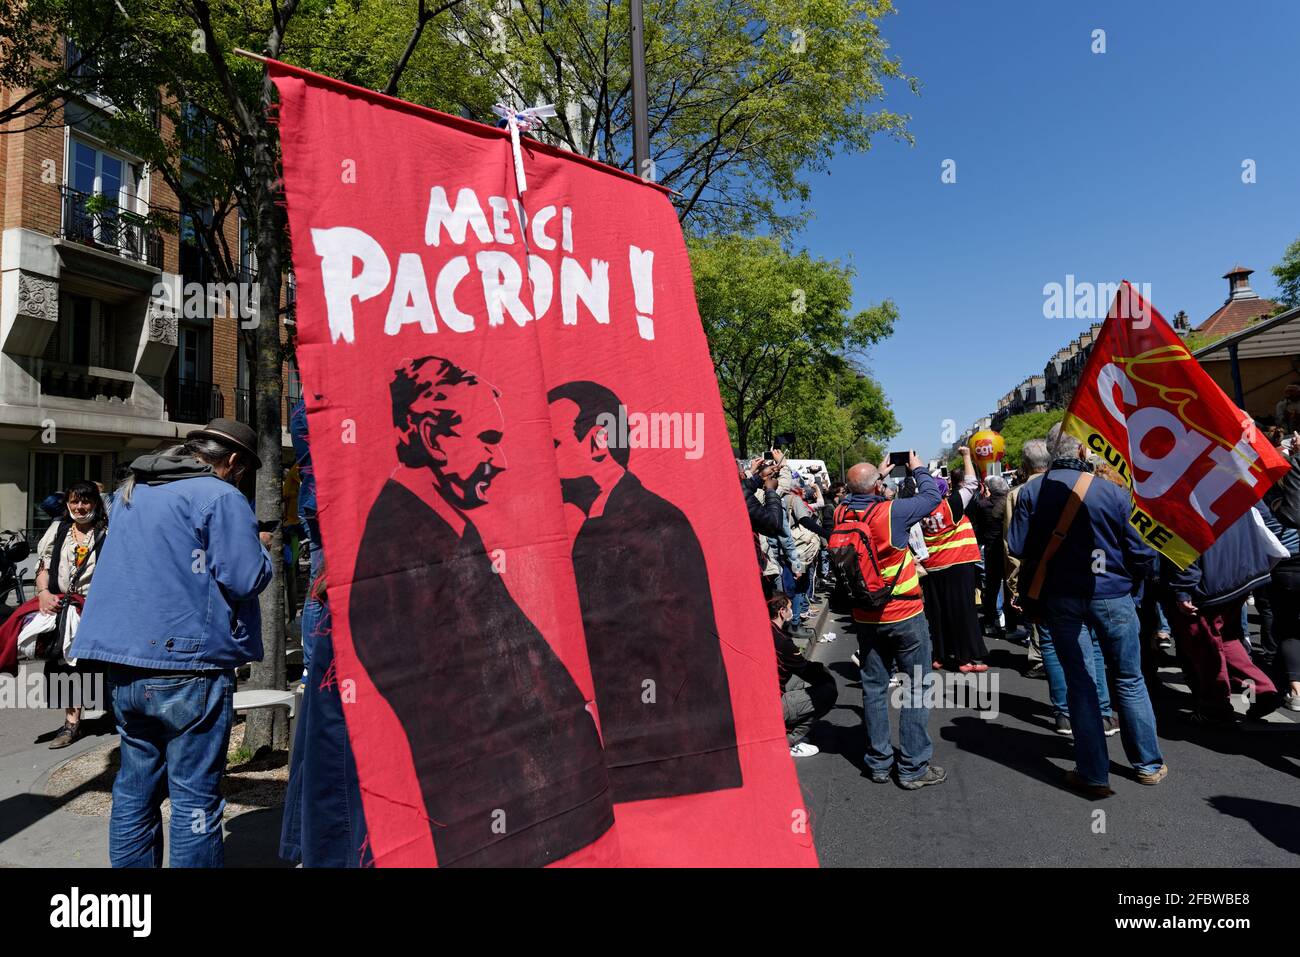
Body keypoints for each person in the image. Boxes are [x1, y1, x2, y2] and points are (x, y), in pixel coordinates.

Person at [351, 357, 613, 867]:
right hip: (499, 830)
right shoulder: (402, 546)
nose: (503, 458)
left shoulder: (442, 528)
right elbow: (465, 709)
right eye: (489, 438)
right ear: (432, 436)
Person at [71, 419, 273, 867]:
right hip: (189, 664)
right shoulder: (220, 496)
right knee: (194, 797)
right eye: (242, 472)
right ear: (234, 462)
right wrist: (261, 547)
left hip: (124, 660)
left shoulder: (132, 491)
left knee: (134, 789)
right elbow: (244, 578)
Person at [547, 380, 742, 802]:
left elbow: (676, 657)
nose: (544, 462)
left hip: (663, 760)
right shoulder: (601, 523)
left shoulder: (651, 523)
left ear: (599, 440)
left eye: (554, 444)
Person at [1008, 424, 1166, 797]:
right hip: (1113, 595)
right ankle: (1147, 764)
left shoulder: (1031, 491)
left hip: (1061, 596)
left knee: (1081, 683)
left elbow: (1017, 544)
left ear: (1049, 454)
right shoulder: (1113, 492)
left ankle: (1094, 773)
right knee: (1129, 679)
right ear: (1083, 452)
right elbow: (1143, 553)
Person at [835, 450, 946, 789]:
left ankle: (879, 762)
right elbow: (932, 496)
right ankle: (912, 767)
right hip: (904, 612)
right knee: (916, 688)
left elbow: (860, 494)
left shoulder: (840, 512)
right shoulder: (892, 512)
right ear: (876, 485)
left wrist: (876, 475)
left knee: (873, 686)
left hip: (864, 615)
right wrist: (917, 467)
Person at [1161, 506, 1284, 723]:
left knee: (1205, 645)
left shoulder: (1184, 494)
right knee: (1226, 638)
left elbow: (1183, 543)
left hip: (1211, 582)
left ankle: (1215, 706)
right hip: (1242, 573)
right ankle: (1262, 691)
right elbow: (1263, 517)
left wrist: (1183, 588)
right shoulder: (1228, 479)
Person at [918, 448, 986, 672]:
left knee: (937, 614)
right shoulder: (950, 505)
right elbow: (970, 484)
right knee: (963, 610)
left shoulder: (918, 512)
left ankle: (939, 655)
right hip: (957, 564)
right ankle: (965, 658)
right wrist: (967, 456)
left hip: (932, 567)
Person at [769, 593, 836, 757]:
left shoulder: (766, 630)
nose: (793, 612)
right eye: (790, 608)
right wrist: (825, 673)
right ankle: (788, 740)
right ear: (782, 611)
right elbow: (806, 669)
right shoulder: (782, 642)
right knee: (828, 691)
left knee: (800, 682)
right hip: (771, 703)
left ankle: (786, 727)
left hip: (760, 696)